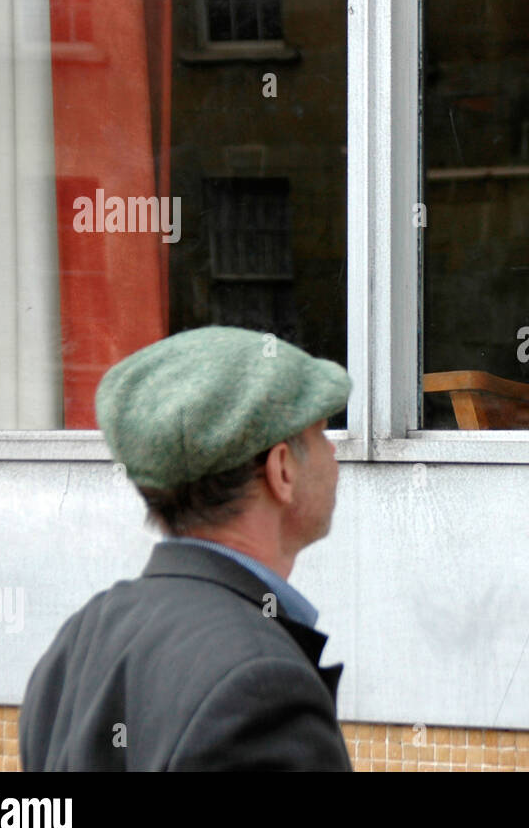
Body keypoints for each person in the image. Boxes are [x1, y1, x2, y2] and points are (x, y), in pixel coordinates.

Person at [19, 326, 353, 770]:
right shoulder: (263, 686)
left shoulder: (82, 635)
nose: (333, 454)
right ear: (282, 471)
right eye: (321, 434)